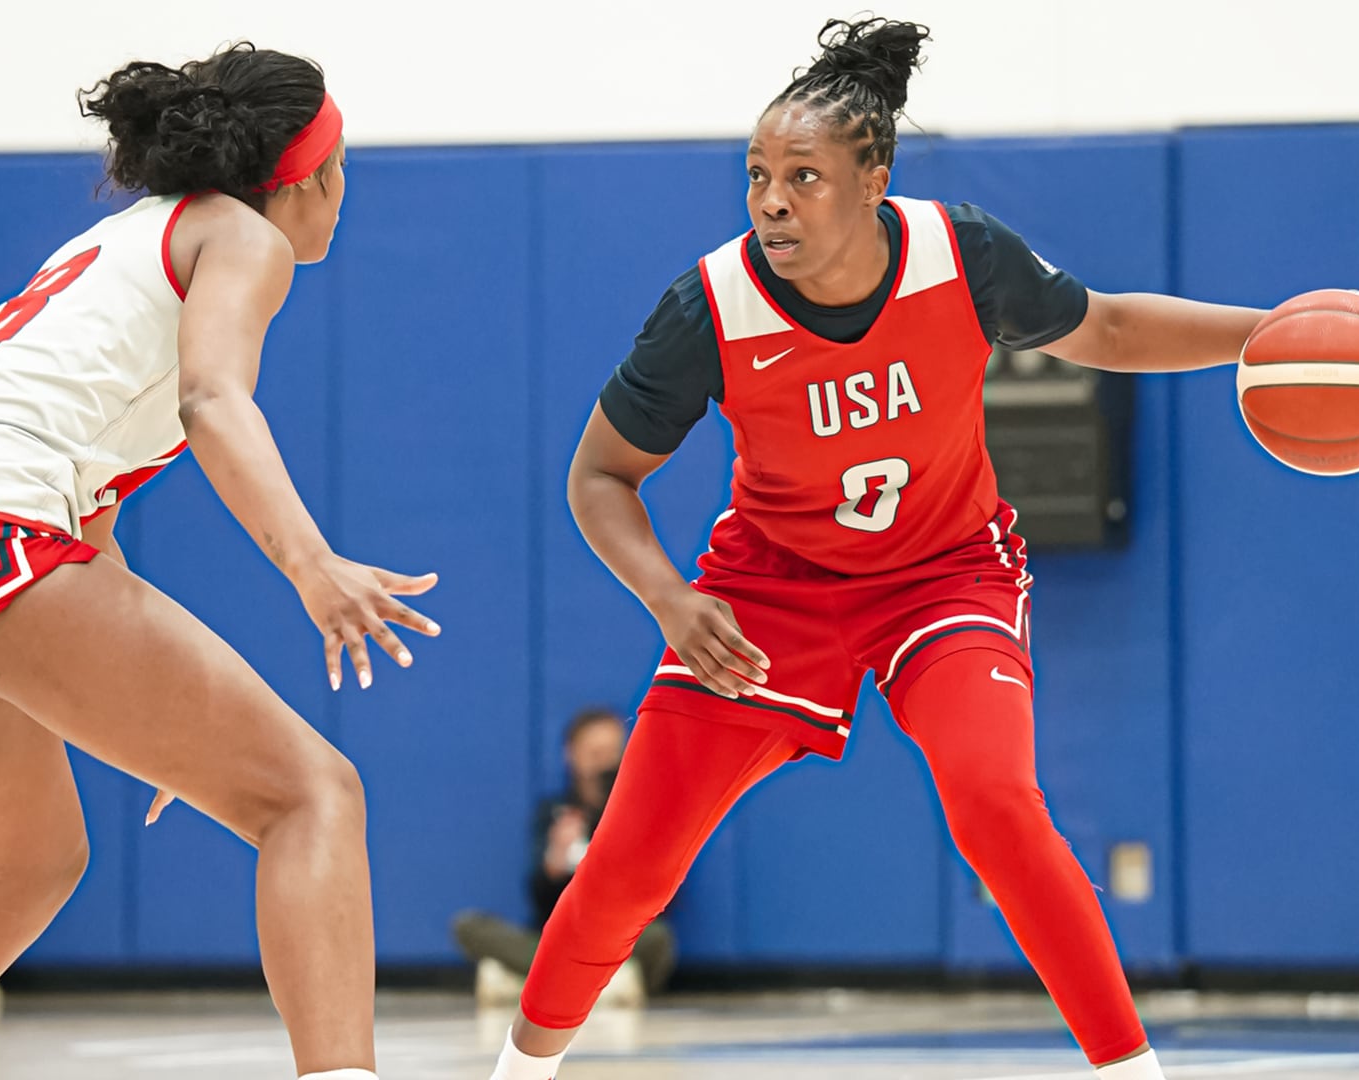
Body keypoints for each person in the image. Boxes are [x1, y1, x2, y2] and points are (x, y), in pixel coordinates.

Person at [489, 18, 1303, 1080]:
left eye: (804, 176)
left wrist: (1271, 332)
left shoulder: (961, 255)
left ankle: (1133, 1071)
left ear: (875, 181)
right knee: (629, 864)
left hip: (944, 575)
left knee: (996, 805)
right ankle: (519, 1072)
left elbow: (1104, 329)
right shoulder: (710, 307)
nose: (771, 200)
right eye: (757, 174)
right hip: (770, 592)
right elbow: (599, 476)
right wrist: (667, 598)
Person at [0, 44, 435, 1080]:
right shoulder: (243, 237)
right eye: (344, 162)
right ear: (307, 176)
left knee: (27, 868)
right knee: (313, 795)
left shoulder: (119, 241)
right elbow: (212, 398)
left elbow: (88, 539)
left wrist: (157, 726)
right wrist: (312, 564)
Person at [453, 708, 674, 1007]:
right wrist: (555, 861)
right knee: (469, 926)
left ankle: (541, 983)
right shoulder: (554, 812)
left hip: (618, 938)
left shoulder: (642, 811)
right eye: (594, 753)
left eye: (612, 753)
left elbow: (663, 897)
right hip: (561, 938)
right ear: (572, 754)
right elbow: (539, 898)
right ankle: (592, 986)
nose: (604, 763)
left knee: (658, 938)